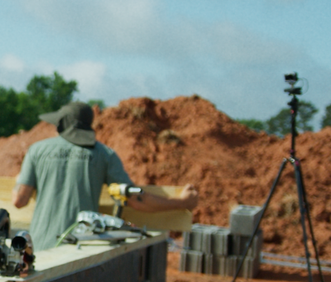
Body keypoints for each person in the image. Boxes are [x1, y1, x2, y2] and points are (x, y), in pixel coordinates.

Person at [12, 101, 199, 249]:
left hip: (40, 248)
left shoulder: (36, 150)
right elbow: (136, 200)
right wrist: (182, 202)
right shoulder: (104, 154)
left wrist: (20, 179)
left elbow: (19, 201)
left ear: (61, 125)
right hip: (79, 249)